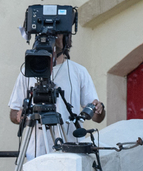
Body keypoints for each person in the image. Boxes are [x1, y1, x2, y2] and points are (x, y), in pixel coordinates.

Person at [7, 28, 105, 163]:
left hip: (71, 154)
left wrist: (99, 109)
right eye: (45, 35)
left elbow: (97, 117)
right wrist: (20, 116)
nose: (50, 39)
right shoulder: (27, 71)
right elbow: (13, 113)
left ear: (66, 39)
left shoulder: (79, 71)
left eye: (56, 34)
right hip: (37, 154)